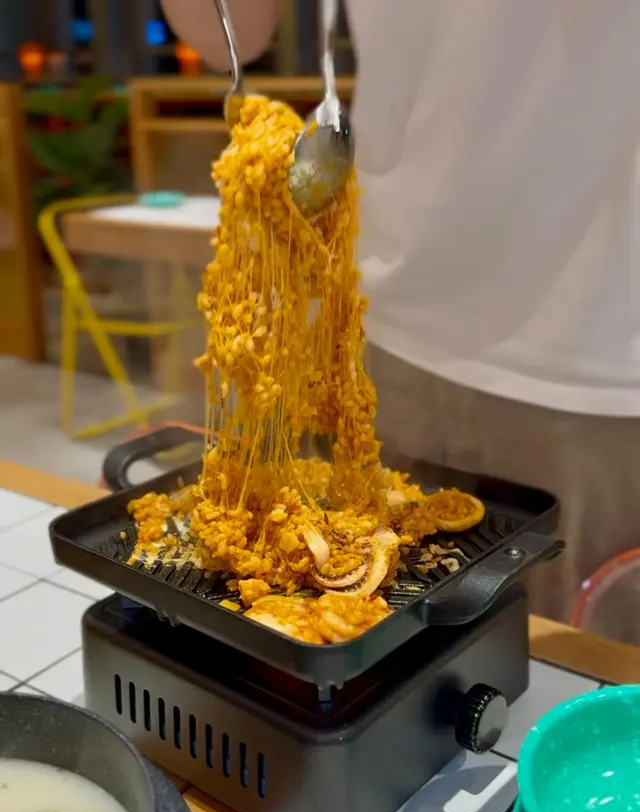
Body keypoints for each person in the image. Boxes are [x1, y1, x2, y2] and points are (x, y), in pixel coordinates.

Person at [161, 0, 640, 623]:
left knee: (562, 652)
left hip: (589, 346)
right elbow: (229, 37)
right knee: (367, 618)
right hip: (384, 328)